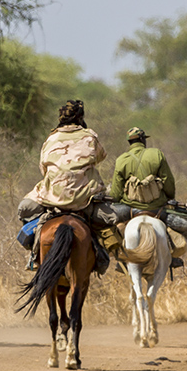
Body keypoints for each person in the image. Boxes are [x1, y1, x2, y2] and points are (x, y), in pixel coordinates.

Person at [17, 99, 115, 272]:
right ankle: (101, 257)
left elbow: (43, 169)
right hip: (83, 198)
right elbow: (101, 156)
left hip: (52, 197)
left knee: (24, 209)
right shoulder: (90, 136)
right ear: (81, 117)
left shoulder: (51, 138)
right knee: (112, 219)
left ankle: (34, 256)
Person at [109, 126, 185, 267]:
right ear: (143, 140)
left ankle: (120, 258)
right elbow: (168, 181)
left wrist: (116, 201)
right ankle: (171, 255)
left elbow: (116, 193)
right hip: (157, 208)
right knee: (184, 225)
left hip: (130, 209)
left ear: (129, 142)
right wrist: (169, 198)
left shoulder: (121, 160)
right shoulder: (157, 154)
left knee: (107, 227)